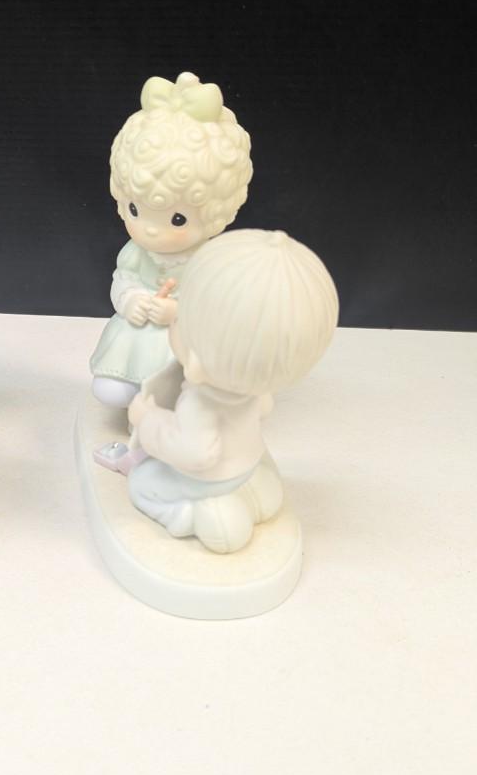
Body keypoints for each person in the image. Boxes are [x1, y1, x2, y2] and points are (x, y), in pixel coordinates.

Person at [127, 229, 338, 554]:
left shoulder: (199, 403)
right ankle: (252, 495)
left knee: (142, 483)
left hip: (203, 480)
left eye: (179, 321)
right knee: (255, 484)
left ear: (196, 361)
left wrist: (147, 419)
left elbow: (193, 454)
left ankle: (190, 514)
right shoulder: (254, 387)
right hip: (248, 463)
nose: (175, 321)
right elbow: (264, 409)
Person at [90, 72, 253, 409]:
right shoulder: (137, 252)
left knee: (185, 393)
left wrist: (178, 312)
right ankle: (132, 389)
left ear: (216, 211)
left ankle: (176, 403)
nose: (150, 231)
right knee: (111, 391)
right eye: (135, 210)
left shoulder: (209, 259)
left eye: (177, 219)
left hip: (186, 341)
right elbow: (124, 278)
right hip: (136, 337)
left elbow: (217, 305)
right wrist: (130, 299)